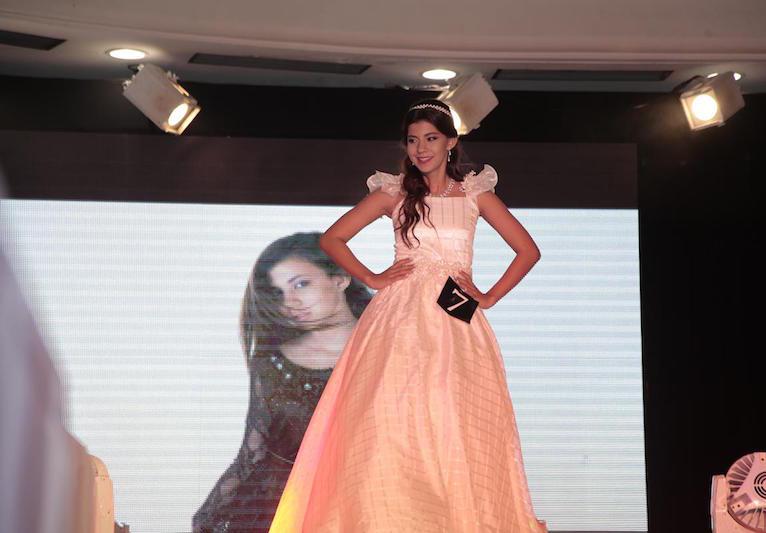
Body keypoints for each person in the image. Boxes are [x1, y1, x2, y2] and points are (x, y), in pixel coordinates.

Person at [269, 99, 547, 532]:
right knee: (389, 420)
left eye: (431, 138)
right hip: (398, 316)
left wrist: (489, 297)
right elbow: (332, 239)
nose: (421, 148)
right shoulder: (394, 193)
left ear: (451, 142)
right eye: (413, 140)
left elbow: (527, 250)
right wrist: (372, 277)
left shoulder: (475, 194)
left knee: (454, 423)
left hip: (455, 316)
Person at [193, 232, 372, 532]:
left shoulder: (390, 345)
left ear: (340, 279)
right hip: (283, 508)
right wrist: (210, 514)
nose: (290, 302)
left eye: (301, 284)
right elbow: (254, 452)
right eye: (278, 293)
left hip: (366, 503)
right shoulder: (272, 362)